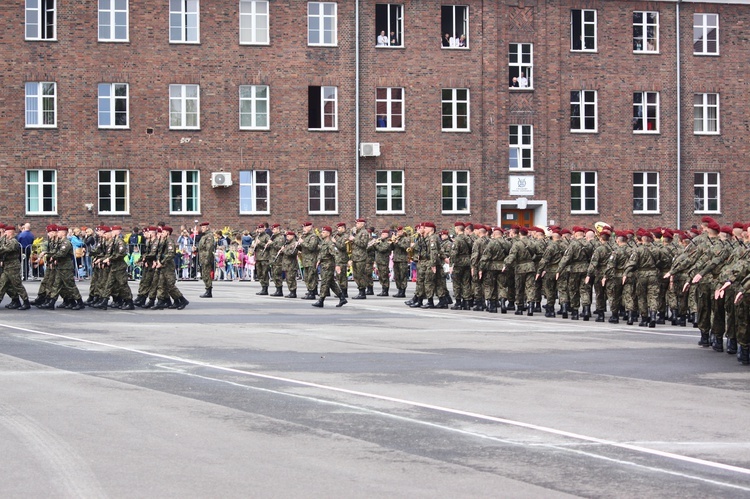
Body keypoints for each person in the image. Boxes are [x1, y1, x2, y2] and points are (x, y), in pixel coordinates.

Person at [312, 226, 347, 308]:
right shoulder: (324, 242)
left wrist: (337, 265)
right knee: (331, 283)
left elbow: (336, 254)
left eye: (323, 232)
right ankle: (342, 298)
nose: (321, 233)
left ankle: (321, 300)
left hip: (328, 265)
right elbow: (322, 253)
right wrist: (319, 260)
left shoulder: (330, 243)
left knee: (324, 282)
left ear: (328, 234)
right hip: (324, 264)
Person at [197, 222, 216, 297]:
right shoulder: (204, 236)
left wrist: (207, 259)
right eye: (201, 227)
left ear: (207, 227)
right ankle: (207, 289)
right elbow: (202, 247)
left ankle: (209, 291)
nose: (202, 229)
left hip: (206, 258)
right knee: (204, 274)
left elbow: (209, 248)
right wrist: (196, 249)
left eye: (204, 227)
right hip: (203, 257)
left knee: (206, 274)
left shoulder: (209, 236)